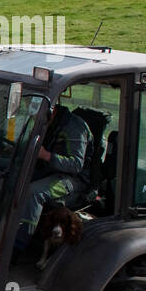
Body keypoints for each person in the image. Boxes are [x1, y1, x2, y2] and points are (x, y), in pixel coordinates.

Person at [15, 101, 91, 250]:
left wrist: (46, 155)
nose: (30, 111)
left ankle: (18, 245)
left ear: (51, 107)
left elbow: (76, 165)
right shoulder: (45, 122)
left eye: (33, 106)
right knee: (11, 176)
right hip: (50, 170)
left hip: (73, 179)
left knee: (33, 192)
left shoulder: (75, 127)